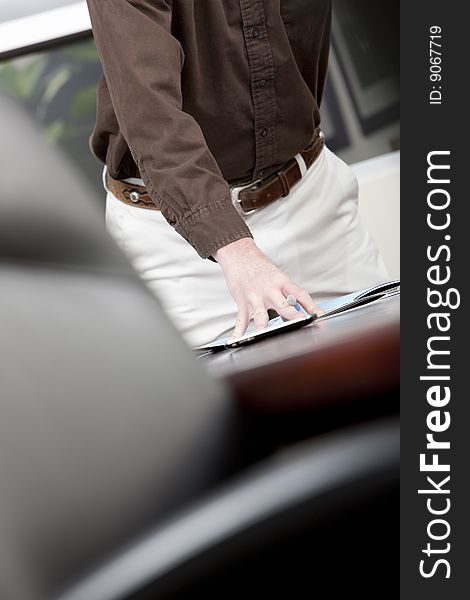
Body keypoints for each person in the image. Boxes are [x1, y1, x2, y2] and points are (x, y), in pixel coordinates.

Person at [86, 0, 389, 347]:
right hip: (176, 246)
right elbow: (152, 119)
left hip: (310, 197)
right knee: (212, 400)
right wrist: (234, 248)